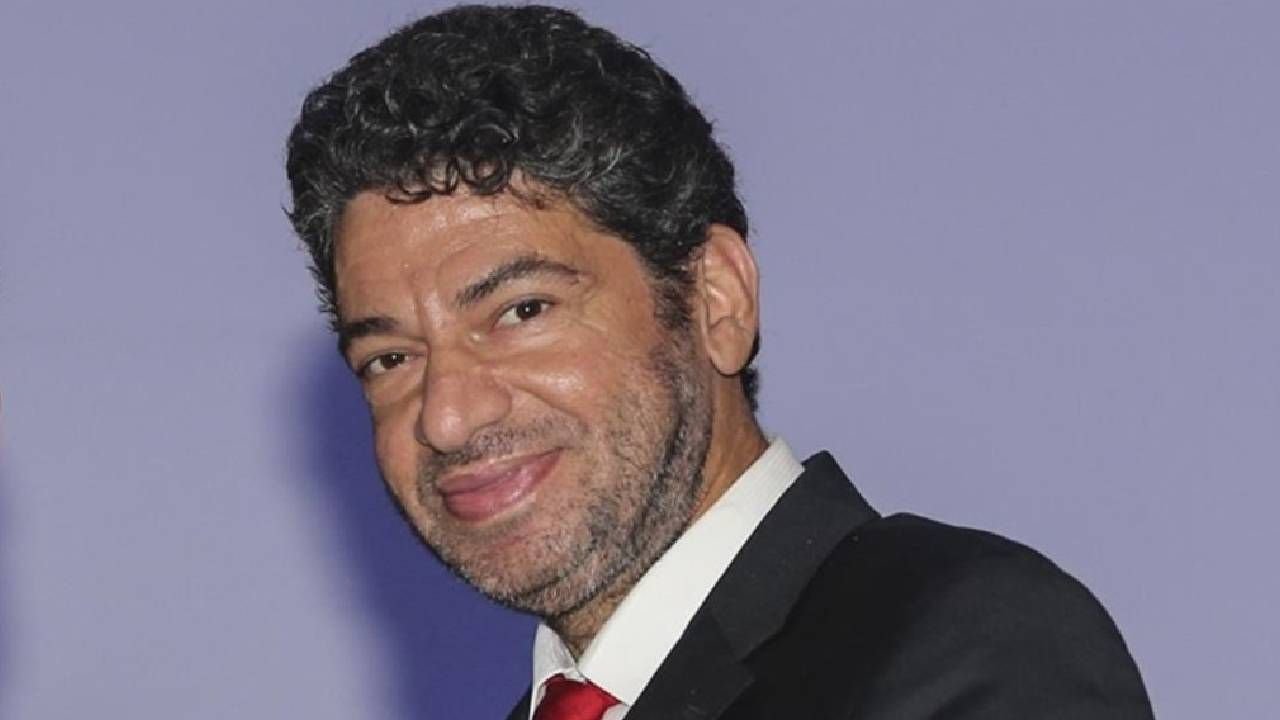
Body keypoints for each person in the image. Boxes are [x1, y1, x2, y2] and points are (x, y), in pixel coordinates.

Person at [284, 5, 1155, 718]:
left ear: (716, 300)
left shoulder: (962, 642)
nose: (446, 415)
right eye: (390, 358)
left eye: (522, 311)